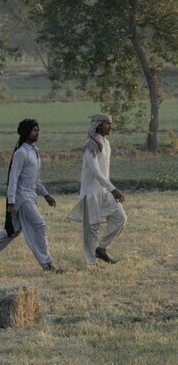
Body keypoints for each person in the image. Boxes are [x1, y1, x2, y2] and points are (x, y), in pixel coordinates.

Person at [0, 118, 63, 273]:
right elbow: (13, 179)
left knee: (12, 230)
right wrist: (11, 203)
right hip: (22, 198)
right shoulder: (21, 153)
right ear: (26, 132)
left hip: (31, 196)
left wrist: (46, 195)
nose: (37, 132)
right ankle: (47, 264)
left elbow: (35, 179)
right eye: (33, 130)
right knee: (40, 226)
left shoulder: (34, 152)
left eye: (38, 129)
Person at [67, 113, 127, 265]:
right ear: (99, 125)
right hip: (91, 192)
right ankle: (90, 262)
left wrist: (109, 189)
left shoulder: (106, 143)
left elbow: (104, 171)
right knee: (91, 229)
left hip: (105, 191)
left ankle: (102, 249)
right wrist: (113, 189)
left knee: (120, 217)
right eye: (107, 124)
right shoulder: (91, 145)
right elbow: (95, 171)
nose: (110, 127)